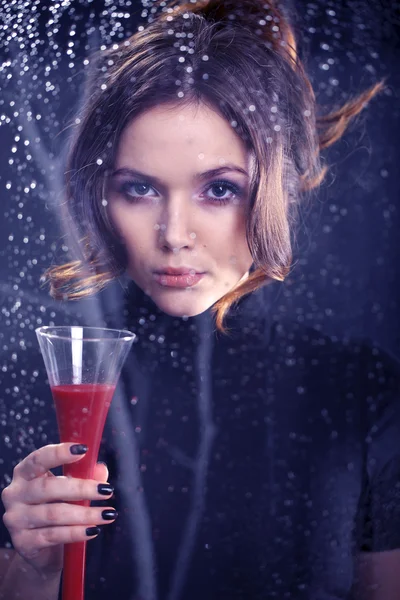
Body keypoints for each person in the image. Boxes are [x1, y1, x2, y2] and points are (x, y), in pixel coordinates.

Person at [1, 0, 399, 598]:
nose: (175, 234)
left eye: (219, 189)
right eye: (138, 188)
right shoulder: (33, 390)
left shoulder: (363, 395)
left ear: (280, 185)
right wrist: (35, 569)